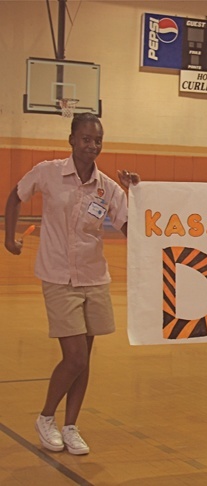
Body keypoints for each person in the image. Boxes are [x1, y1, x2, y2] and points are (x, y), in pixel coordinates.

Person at [4, 113, 140, 454]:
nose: (91, 146)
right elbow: (15, 197)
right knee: (75, 357)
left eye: (97, 140)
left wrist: (135, 193)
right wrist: (9, 239)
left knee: (85, 359)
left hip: (94, 278)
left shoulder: (107, 188)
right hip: (58, 276)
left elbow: (131, 230)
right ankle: (46, 417)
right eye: (85, 139)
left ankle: (70, 426)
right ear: (71, 140)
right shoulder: (47, 172)